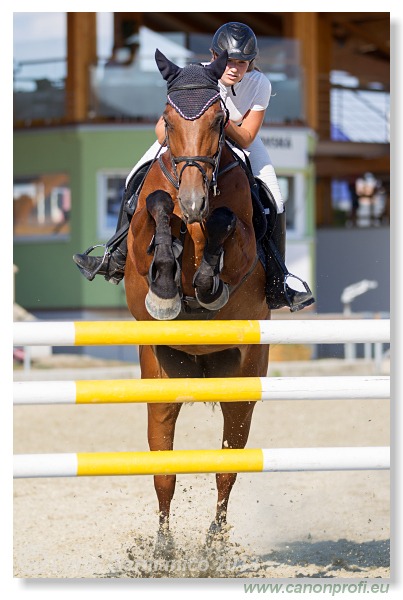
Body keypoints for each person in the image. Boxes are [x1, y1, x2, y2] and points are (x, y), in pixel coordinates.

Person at [73, 22, 314, 311]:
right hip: (189, 141)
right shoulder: (195, 76)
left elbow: (248, 137)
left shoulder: (260, 84)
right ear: (215, 55)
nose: (235, 68)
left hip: (236, 140)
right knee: (134, 178)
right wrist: (197, 126)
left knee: (274, 196)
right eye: (230, 61)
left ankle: (278, 278)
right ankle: (115, 256)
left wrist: (219, 120)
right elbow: (162, 133)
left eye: (242, 62)